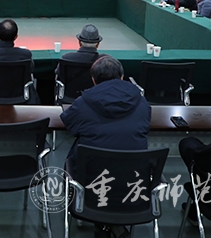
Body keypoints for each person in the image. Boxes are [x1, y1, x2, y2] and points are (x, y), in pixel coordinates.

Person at [60, 55, 150, 238]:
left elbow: (69, 124)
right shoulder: (142, 103)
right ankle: (110, 225)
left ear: (93, 80)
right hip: (134, 184)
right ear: (122, 77)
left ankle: (104, 224)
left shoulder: (83, 102)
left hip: (91, 184)